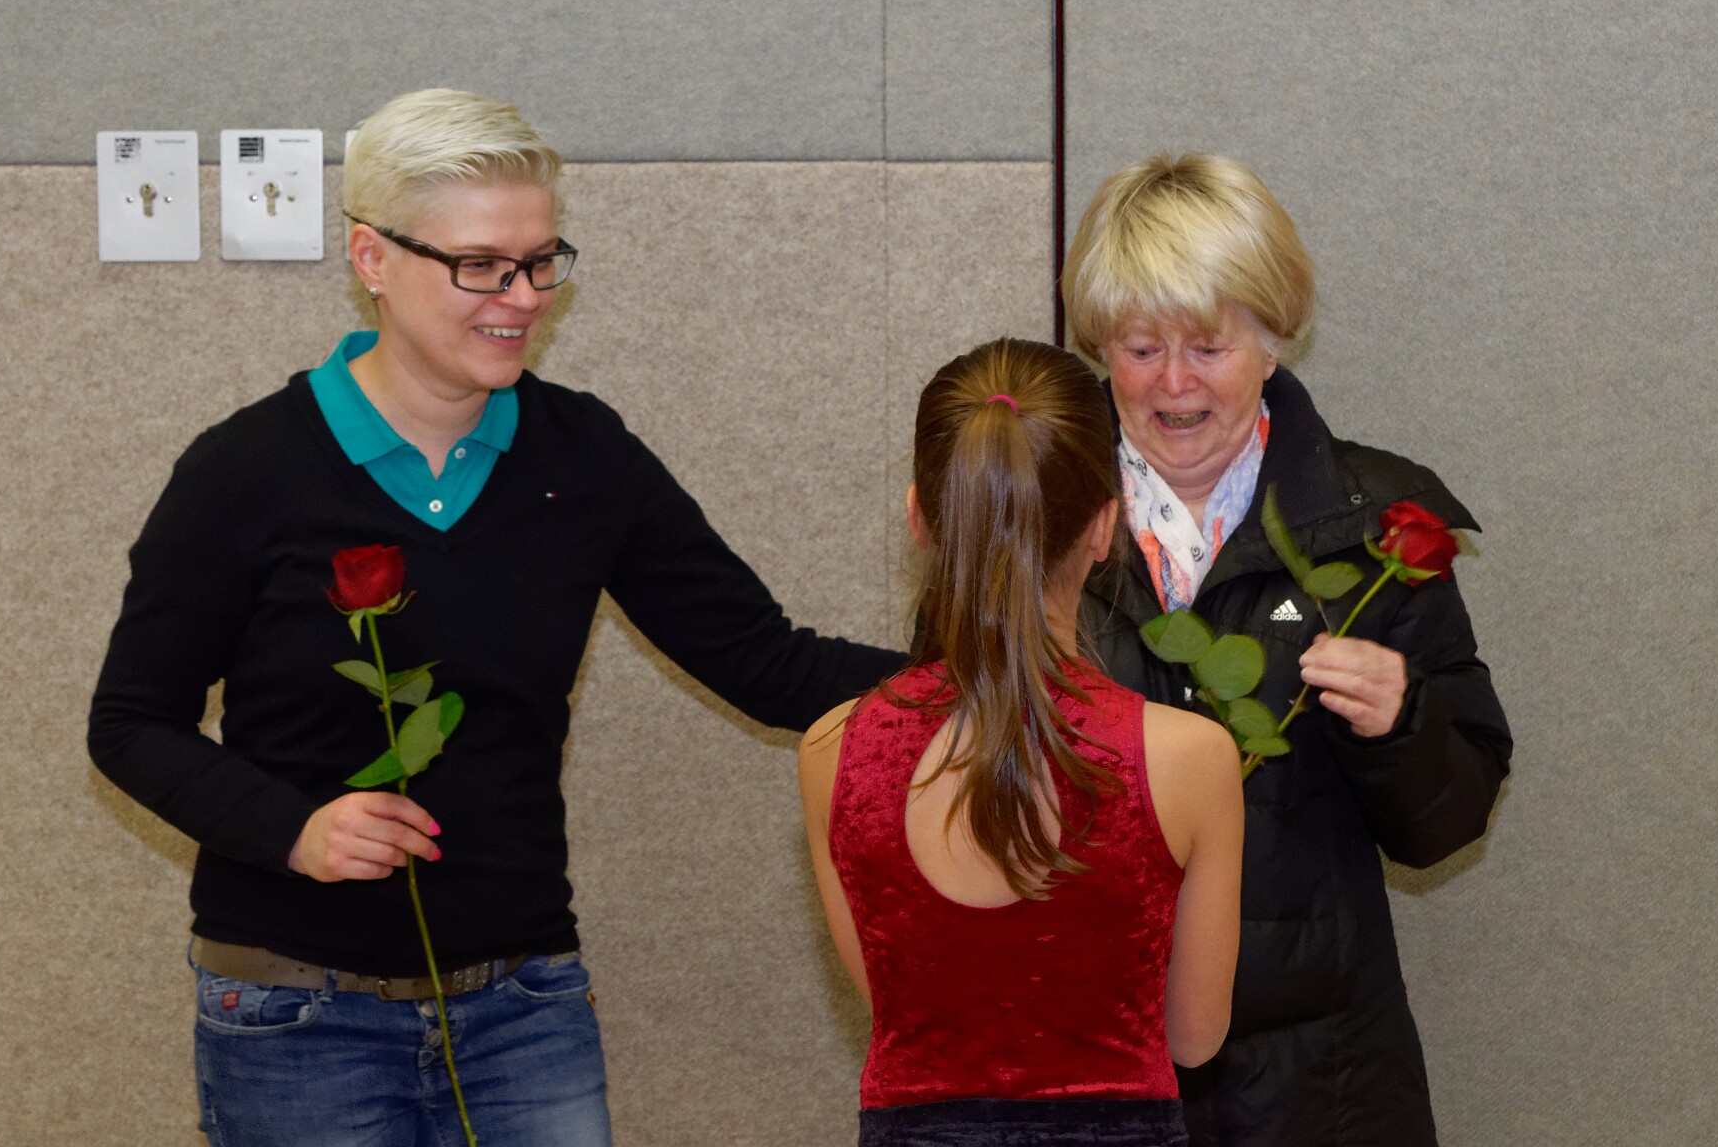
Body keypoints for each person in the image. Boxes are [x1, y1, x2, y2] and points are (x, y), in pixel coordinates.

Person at [87, 88, 902, 1146]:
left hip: (523, 1006)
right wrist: (290, 829)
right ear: (372, 259)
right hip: (295, 1015)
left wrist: (1007, 675)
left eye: (540, 262)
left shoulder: (584, 456)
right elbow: (130, 723)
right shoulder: (245, 470)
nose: (521, 299)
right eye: (480, 266)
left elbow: (766, 663)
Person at [1059, 154, 1513, 1146]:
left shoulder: (1373, 526)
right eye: (1141, 347)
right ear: (1098, 345)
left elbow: (1447, 824)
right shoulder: (1030, 513)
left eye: (1207, 346)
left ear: (1272, 340)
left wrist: (1402, 721)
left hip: (1322, 1084)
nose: (1174, 383)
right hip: (1082, 1064)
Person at [799, 338, 1246, 1147]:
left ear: (919, 518)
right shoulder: (1190, 758)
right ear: (1106, 524)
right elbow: (1194, 1037)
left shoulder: (834, 749)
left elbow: (900, 1011)